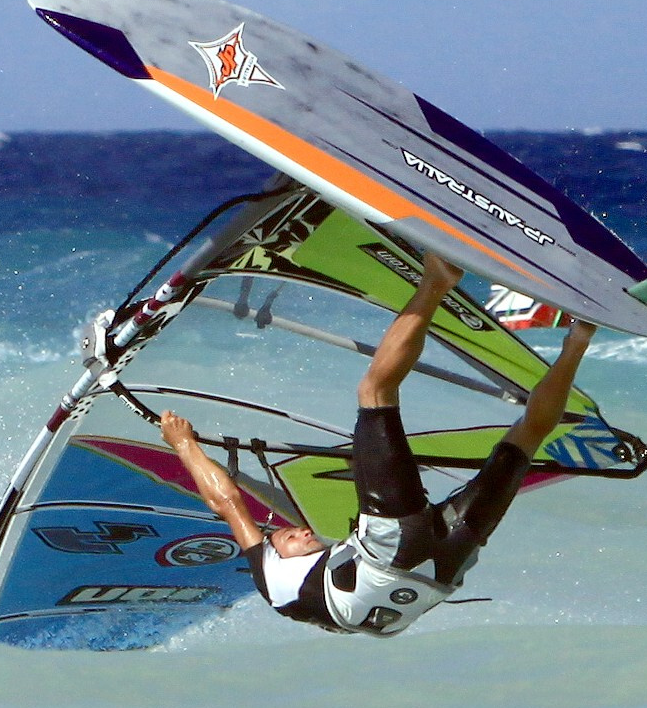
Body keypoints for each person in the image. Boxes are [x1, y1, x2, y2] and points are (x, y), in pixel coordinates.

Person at [159, 252, 598, 636]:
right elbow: (228, 503)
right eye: (291, 537)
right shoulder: (268, 573)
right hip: (393, 557)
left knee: (523, 441)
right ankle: (436, 281)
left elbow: (230, 503)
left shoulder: (299, 596)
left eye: (293, 533)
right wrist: (182, 444)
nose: (302, 531)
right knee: (374, 394)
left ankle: (580, 337)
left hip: (444, 569)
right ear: (272, 552)